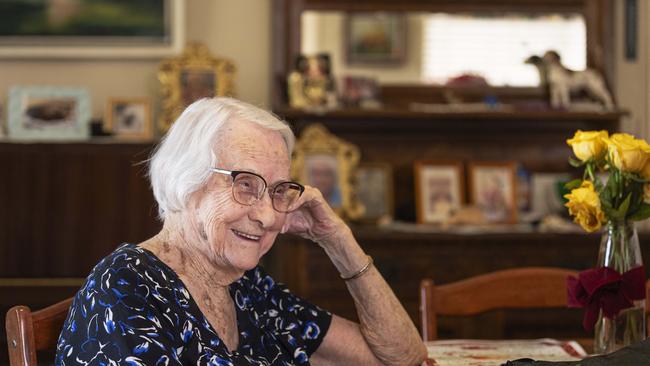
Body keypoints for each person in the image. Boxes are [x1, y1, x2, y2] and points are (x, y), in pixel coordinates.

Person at [55, 97, 427, 365]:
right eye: (245, 184)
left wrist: (337, 239)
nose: (267, 216)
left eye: (278, 189)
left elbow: (402, 358)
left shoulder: (247, 288)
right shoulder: (127, 288)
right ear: (187, 180)